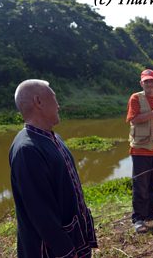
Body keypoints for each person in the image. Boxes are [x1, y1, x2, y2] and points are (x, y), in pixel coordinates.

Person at [9, 79, 97, 258]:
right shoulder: (27, 150)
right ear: (38, 102)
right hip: (51, 251)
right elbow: (41, 213)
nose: (58, 105)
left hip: (73, 237)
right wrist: (66, 251)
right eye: (54, 98)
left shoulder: (53, 137)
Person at [126, 69, 153, 233]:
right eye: (146, 81)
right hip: (140, 149)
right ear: (141, 83)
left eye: (152, 81)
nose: (149, 84)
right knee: (140, 186)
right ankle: (138, 219)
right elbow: (134, 119)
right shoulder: (136, 98)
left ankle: (151, 213)